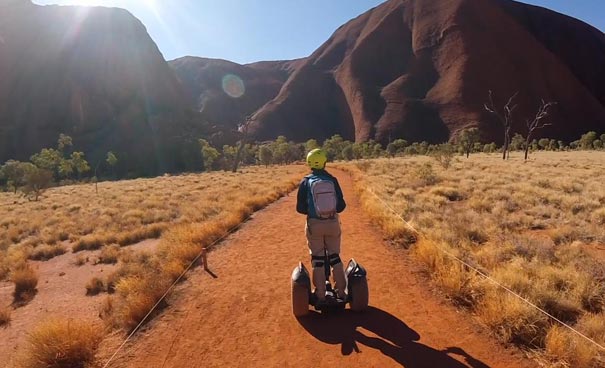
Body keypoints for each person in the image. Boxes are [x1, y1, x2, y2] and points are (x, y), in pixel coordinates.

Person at [296, 148, 347, 302]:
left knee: (317, 259)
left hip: (315, 224)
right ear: (324, 162)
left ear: (309, 163)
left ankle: (320, 295)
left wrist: (313, 211)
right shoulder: (332, 180)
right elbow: (341, 206)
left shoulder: (305, 181)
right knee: (335, 257)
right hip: (332, 223)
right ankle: (342, 293)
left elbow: (300, 209)